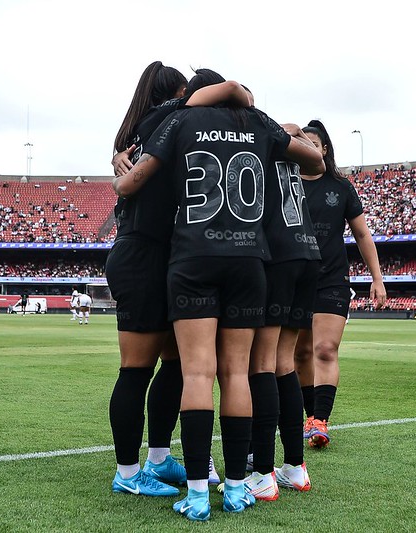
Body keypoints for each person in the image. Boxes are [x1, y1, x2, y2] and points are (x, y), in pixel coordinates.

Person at [113, 68, 325, 521]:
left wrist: (119, 174)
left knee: (194, 374)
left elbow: (131, 183)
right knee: (237, 374)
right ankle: (234, 488)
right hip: (249, 259)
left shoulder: (180, 121)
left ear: (195, 94)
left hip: (192, 256)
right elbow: (316, 164)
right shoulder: (260, 122)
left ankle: (194, 493)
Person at [106, 62, 252, 500]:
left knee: (175, 365)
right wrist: (235, 96)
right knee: (136, 370)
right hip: (143, 255)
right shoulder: (171, 115)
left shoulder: (145, 128)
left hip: (164, 256)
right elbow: (234, 88)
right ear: (180, 92)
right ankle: (128, 473)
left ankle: (156, 460)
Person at [294, 120, 387, 449]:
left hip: (332, 279)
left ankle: (321, 420)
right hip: (293, 279)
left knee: (325, 349)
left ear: (324, 150)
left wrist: (377, 278)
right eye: (300, 143)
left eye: (312, 144)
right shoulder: (285, 183)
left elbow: (362, 234)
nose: (306, 149)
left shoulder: (341, 186)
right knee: (300, 353)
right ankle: (309, 415)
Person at [244, 122, 322, 501]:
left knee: (261, 364)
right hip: (308, 251)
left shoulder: (253, 137)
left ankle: (262, 472)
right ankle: (294, 468)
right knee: (283, 363)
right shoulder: (287, 142)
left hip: (278, 255)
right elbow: (316, 161)